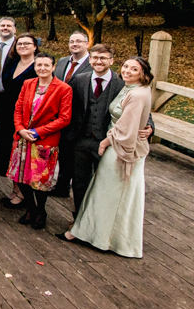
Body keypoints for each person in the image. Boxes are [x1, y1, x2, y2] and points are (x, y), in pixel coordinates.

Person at [62, 57, 154, 258]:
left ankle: (105, 238)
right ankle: (95, 234)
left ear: (143, 73)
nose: (128, 71)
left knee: (109, 193)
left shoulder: (137, 93)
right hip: (106, 142)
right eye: (126, 66)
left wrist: (106, 141)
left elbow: (128, 125)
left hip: (120, 147)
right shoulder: (129, 87)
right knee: (105, 193)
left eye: (134, 69)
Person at [6, 52, 72, 230]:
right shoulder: (28, 84)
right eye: (38, 65)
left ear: (53, 67)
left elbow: (64, 118)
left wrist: (37, 132)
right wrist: (20, 129)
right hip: (23, 138)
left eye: (46, 65)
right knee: (21, 177)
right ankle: (30, 208)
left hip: (44, 140)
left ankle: (41, 211)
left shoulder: (63, 88)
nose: (42, 68)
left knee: (39, 180)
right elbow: (18, 108)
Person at [0, 34, 38, 207]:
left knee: (22, 154)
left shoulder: (38, 66)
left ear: (35, 46)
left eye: (27, 43)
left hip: (27, 115)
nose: (22, 46)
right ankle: (15, 189)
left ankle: (23, 194)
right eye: (19, 43)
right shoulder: (12, 62)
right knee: (10, 153)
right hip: (7, 112)